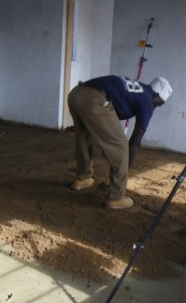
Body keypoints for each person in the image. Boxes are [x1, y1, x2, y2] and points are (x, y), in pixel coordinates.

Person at [67, 75, 172, 209]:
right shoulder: (147, 101)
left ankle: (83, 178)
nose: (156, 106)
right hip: (95, 99)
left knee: (84, 135)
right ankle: (116, 197)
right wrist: (124, 167)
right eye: (159, 102)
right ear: (156, 94)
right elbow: (134, 142)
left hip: (76, 93)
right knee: (122, 145)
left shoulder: (139, 89)